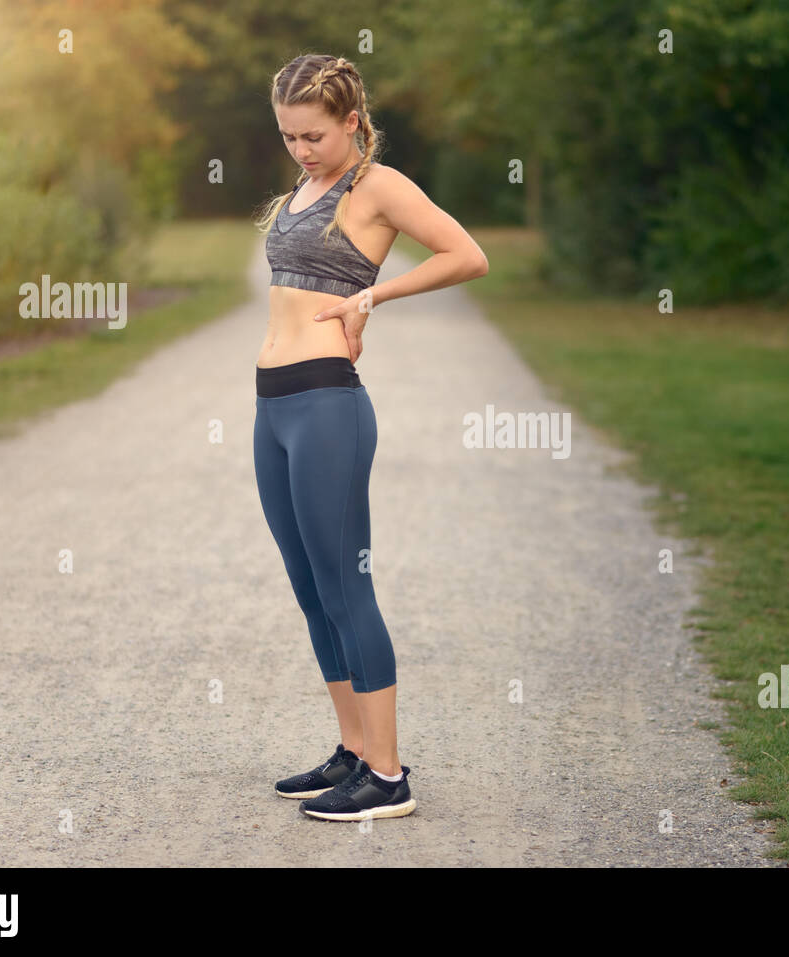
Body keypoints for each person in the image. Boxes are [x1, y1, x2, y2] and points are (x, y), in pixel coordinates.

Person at [251, 53, 488, 821]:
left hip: (327, 405)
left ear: (352, 121)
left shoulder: (376, 186)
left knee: (347, 584)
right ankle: (352, 750)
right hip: (274, 406)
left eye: (314, 134)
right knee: (310, 585)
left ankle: (388, 776)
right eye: (289, 136)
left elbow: (467, 254)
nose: (302, 149)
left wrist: (372, 297)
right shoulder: (304, 188)